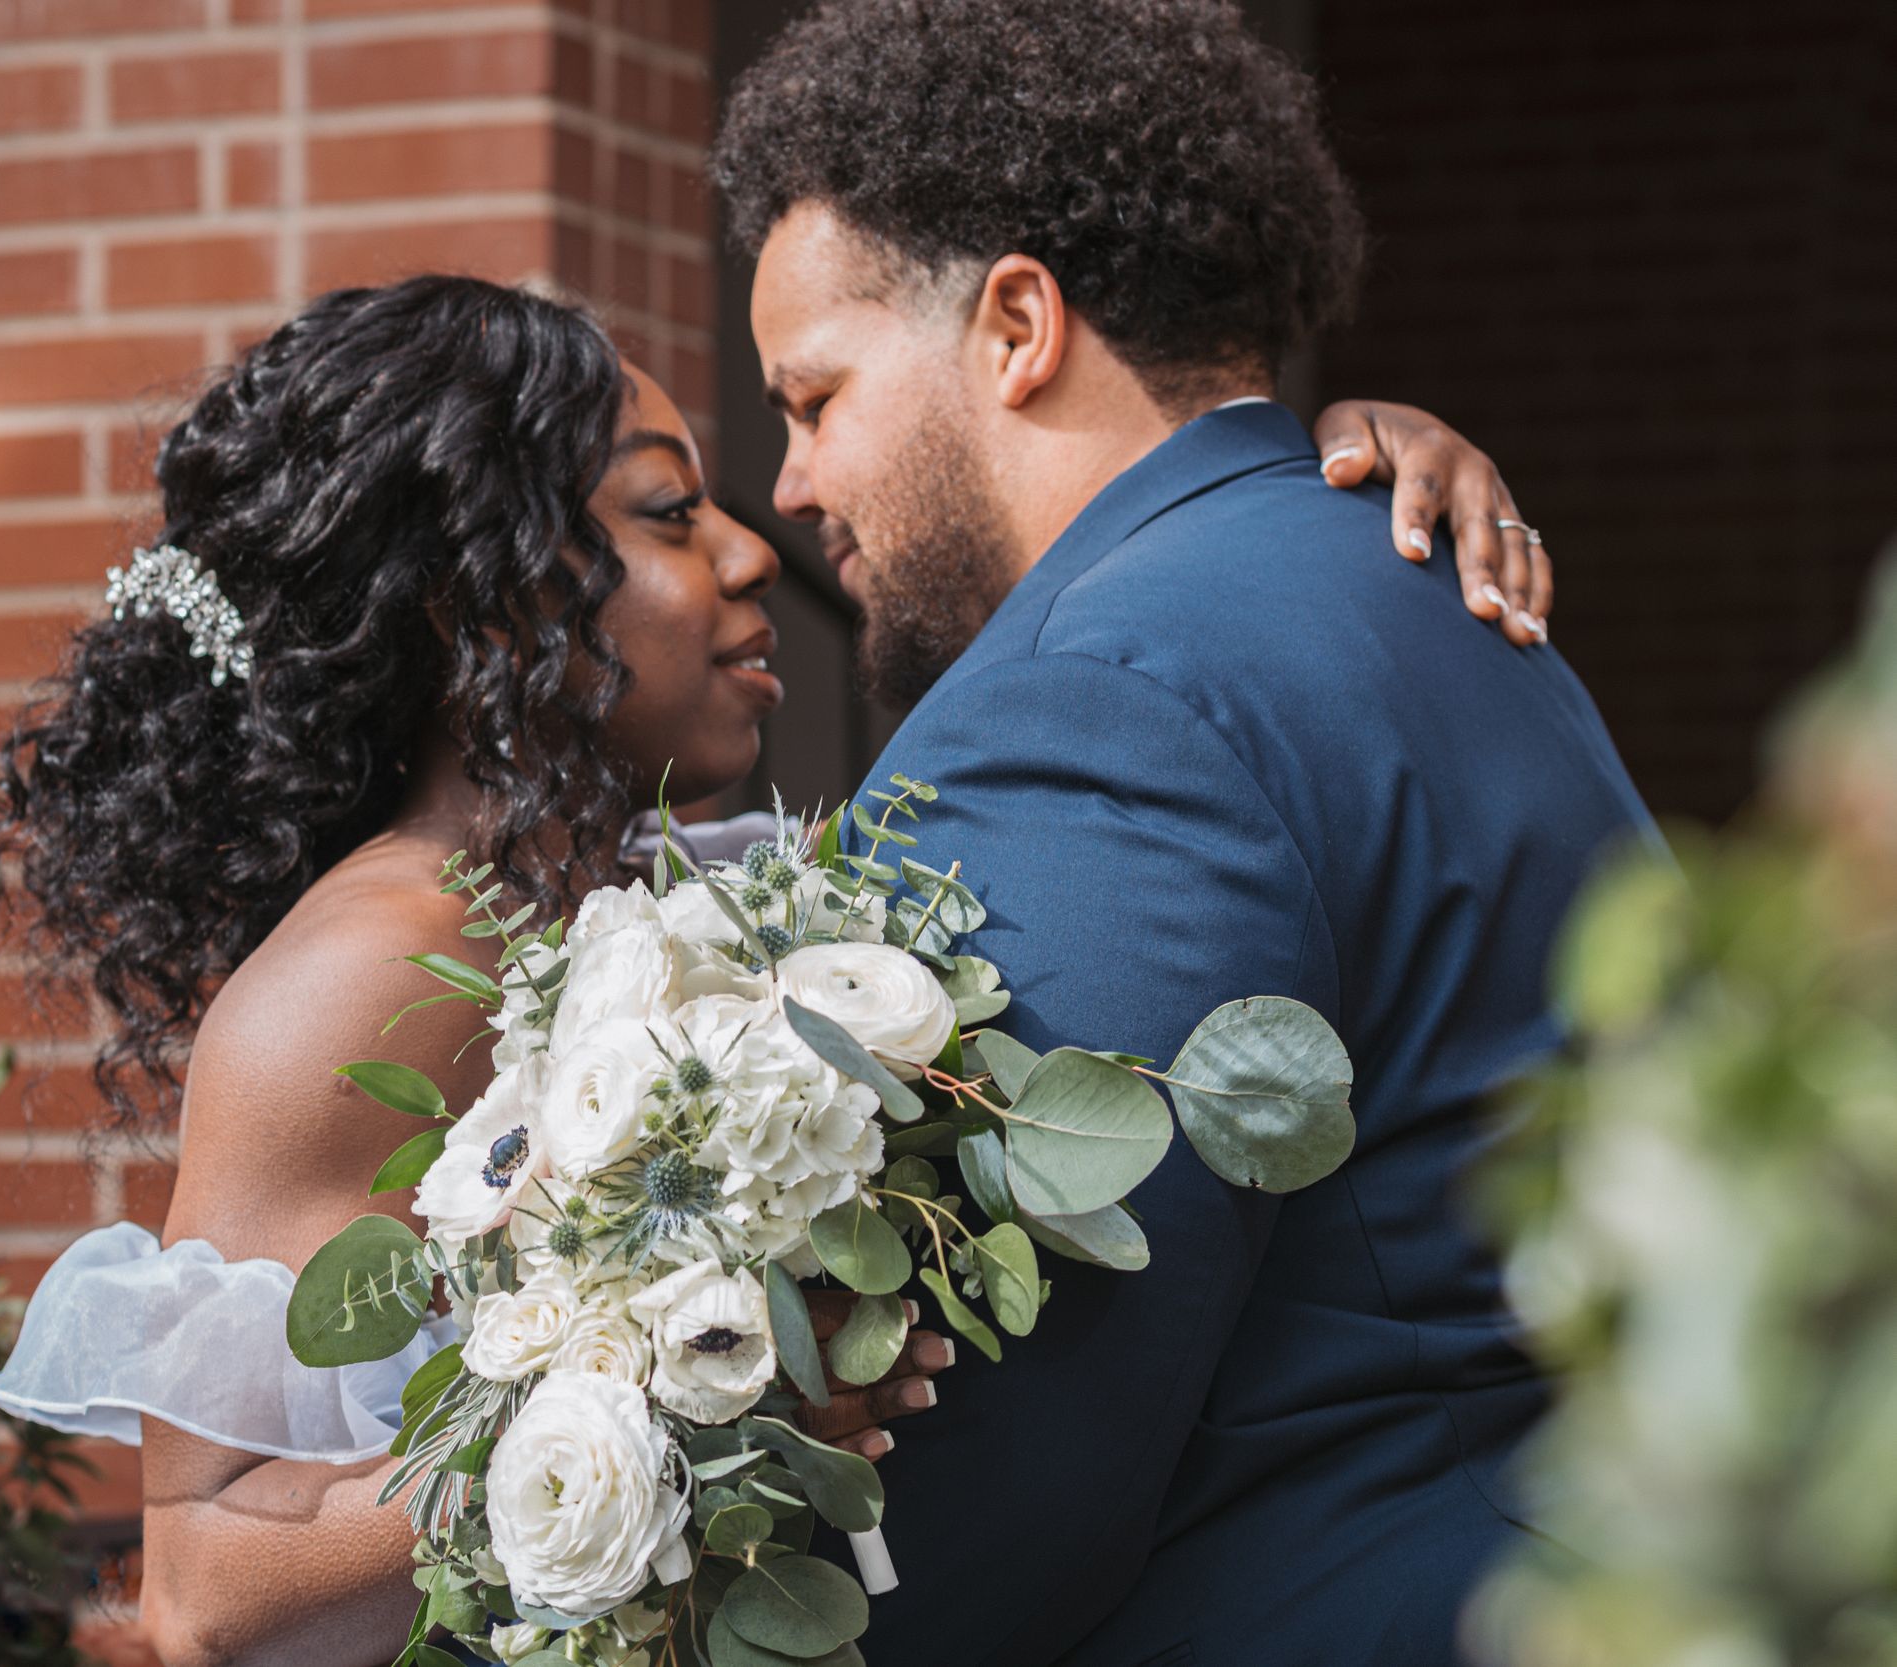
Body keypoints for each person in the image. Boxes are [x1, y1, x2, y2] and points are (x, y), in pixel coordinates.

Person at [0, 274, 1558, 1666]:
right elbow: (207, 1593)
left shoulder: (685, 889)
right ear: (481, 600)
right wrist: (654, 1427)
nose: (748, 551)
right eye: (667, 516)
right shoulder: (374, 965)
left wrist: (1316, 480)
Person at [707, 1, 1657, 1664]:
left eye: (816, 395)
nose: (788, 483)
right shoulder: (1426, 581)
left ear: (1016, 325)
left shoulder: (1093, 699)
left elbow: (1017, 1447)